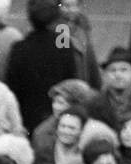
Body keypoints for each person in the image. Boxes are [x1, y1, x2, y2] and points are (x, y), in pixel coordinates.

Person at [5, 0, 80, 134]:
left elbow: (12, 85)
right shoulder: (63, 45)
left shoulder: (20, 48)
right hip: (57, 114)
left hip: (27, 116)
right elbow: (71, 80)